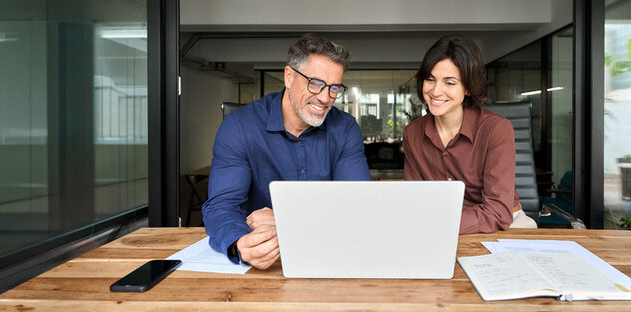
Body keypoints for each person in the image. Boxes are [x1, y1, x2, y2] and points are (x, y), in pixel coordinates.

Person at [202, 35, 370, 269]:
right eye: (316, 83)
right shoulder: (239, 127)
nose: (325, 98)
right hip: (265, 261)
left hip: (328, 258)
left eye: (334, 88)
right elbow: (222, 206)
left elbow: (358, 207)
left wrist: (286, 221)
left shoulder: (345, 129)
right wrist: (239, 243)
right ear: (289, 77)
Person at [403, 35, 537, 234]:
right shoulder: (413, 133)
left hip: (505, 225)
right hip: (439, 226)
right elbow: (417, 200)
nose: (436, 91)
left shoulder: (496, 129)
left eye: (449, 83)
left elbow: (498, 212)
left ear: (467, 88)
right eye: (430, 80)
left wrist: (441, 225)